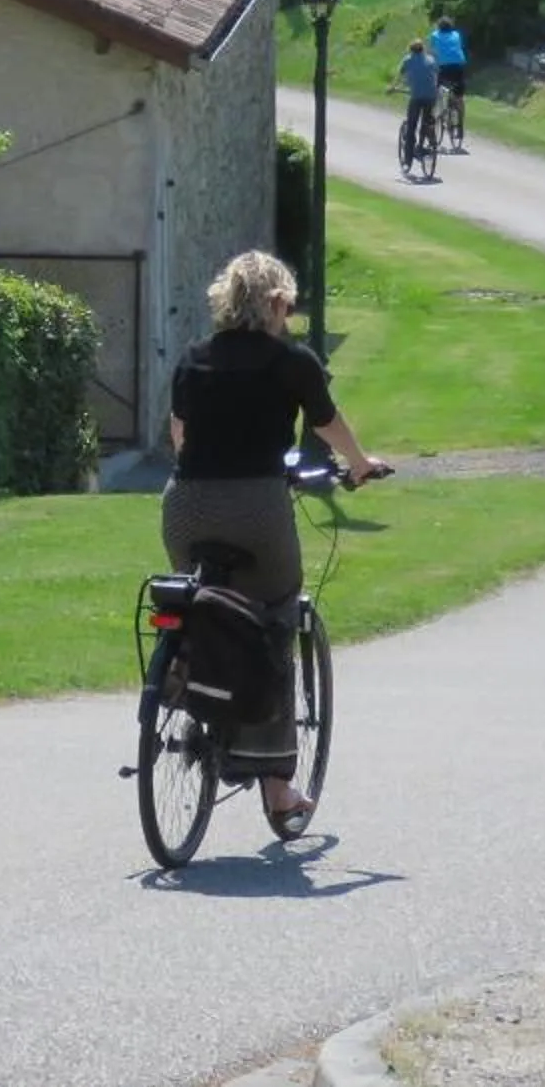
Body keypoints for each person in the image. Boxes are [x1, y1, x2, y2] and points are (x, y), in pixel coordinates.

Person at [166, 250, 383, 834]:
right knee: (274, 617)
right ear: (276, 303)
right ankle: (278, 787)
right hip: (256, 510)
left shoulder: (193, 358)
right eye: (287, 305)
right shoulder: (292, 361)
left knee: (202, 605)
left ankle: (189, 703)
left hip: (184, 508)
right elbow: (326, 423)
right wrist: (360, 464)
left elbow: (180, 434)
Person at [396, 38, 441, 167]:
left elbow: (399, 76)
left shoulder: (408, 60)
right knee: (426, 121)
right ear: (423, 49)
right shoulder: (431, 60)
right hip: (431, 97)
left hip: (416, 97)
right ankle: (424, 144)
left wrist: (393, 87)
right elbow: (436, 75)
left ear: (411, 50)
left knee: (411, 125)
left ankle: (408, 159)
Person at [428, 16, 469, 145]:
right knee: (459, 96)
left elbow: (430, 53)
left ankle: (435, 115)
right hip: (458, 66)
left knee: (436, 89)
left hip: (443, 67)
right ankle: (460, 125)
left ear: (438, 27)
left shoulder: (434, 35)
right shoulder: (456, 34)